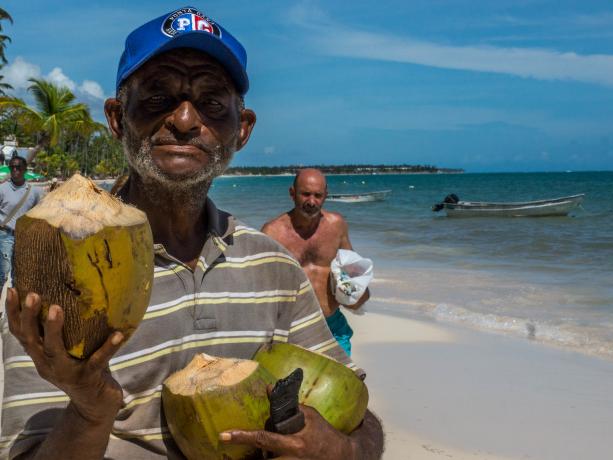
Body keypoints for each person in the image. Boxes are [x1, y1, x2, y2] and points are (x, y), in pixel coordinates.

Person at [0, 7, 383, 460]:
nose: (184, 120)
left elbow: (357, 411)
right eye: (159, 97)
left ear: (241, 129)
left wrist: (345, 450)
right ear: (118, 118)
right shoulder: (59, 272)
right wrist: (89, 410)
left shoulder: (274, 268)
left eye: (212, 103)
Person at [262, 169, 370, 356]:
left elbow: (351, 272)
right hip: (293, 330)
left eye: (318, 195)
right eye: (306, 194)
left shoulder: (337, 225)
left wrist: (358, 293)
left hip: (332, 327)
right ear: (292, 193)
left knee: (345, 382)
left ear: (326, 196)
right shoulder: (272, 233)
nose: (312, 202)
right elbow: (261, 290)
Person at [0, 156, 43, 286]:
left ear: (24, 169)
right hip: (4, 235)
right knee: (2, 274)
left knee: (19, 276)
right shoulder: (2, 189)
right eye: (12, 167)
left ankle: (13, 305)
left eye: (18, 167)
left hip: (24, 237)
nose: (14, 170)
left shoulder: (34, 191)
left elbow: (39, 213)